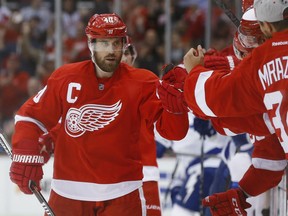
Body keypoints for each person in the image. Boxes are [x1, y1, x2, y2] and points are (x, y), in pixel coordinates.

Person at [8, 13, 189, 216]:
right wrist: (25, 152)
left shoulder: (143, 82)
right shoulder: (65, 77)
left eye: (116, 43)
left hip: (123, 194)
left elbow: (172, 133)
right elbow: (30, 116)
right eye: (103, 43)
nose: (111, 51)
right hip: (68, 194)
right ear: (90, 44)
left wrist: (176, 108)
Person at [156, 2, 288, 214]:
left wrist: (194, 72)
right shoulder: (265, 57)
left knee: (239, 161)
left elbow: (215, 98)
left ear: (267, 30)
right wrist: (242, 192)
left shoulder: (263, 59)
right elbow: (270, 153)